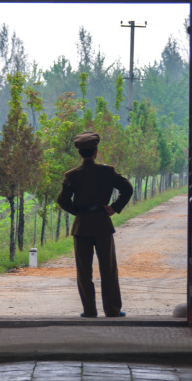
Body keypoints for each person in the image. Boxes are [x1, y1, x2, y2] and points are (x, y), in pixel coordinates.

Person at [56, 131, 133, 318]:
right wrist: (114, 207)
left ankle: (89, 310)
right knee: (108, 269)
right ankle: (112, 310)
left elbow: (62, 200)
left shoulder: (72, 175)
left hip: (81, 227)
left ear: (79, 153)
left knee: (84, 271)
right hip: (102, 225)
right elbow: (127, 188)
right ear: (96, 152)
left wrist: (79, 212)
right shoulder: (107, 172)